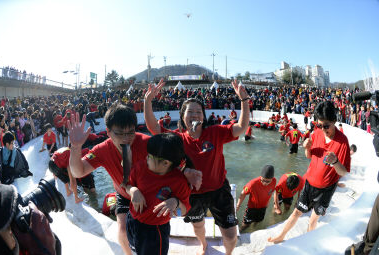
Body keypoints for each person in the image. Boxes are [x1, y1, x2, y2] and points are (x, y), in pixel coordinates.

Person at [68, 104, 202, 254]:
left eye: (130, 132)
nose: (126, 139)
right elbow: (78, 172)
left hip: (149, 193)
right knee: (123, 230)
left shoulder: (147, 143)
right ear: (108, 132)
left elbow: (176, 155)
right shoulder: (101, 150)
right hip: (124, 193)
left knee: (155, 232)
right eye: (120, 134)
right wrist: (75, 146)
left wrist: (188, 170)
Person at [144, 79, 249, 255]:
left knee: (231, 236)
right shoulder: (176, 139)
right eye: (190, 112)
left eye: (198, 112)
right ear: (182, 116)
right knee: (198, 226)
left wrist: (244, 101)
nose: (195, 115)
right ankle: (203, 244)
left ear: (203, 116)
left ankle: (229, 253)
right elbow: (154, 128)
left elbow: (241, 127)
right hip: (191, 194)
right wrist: (148, 101)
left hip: (219, 191)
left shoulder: (215, 132)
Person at [268, 101, 351, 244]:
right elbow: (309, 156)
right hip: (309, 183)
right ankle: (281, 236)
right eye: (319, 125)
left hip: (326, 189)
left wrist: (336, 161)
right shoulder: (316, 133)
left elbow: (343, 172)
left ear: (334, 121)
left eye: (326, 126)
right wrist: (306, 148)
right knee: (296, 212)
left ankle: (306, 245)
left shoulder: (342, 142)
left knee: (313, 219)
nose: (323, 129)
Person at [125, 133, 192, 255]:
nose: (146, 158)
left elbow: (183, 211)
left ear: (166, 163)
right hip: (132, 220)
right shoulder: (140, 167)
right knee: (135, 250)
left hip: (155, 231)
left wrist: (176, 202)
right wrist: (133, 190)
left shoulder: (179, 182)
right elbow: (127, 185)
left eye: (150, 156)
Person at [236, 165, 276, 232]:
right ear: (260, 177)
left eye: (268, 181)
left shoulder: (274, 181)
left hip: (263, 207)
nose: (265, 183)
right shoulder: (252, 184)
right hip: (252, 208)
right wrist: (238, 205)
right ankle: (240, 232)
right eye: (263, 180)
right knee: (245, 225)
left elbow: (271, 192)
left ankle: (253, 229)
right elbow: (243, 193)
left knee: (258, 221)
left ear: (272, 179)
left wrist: (268, 203)